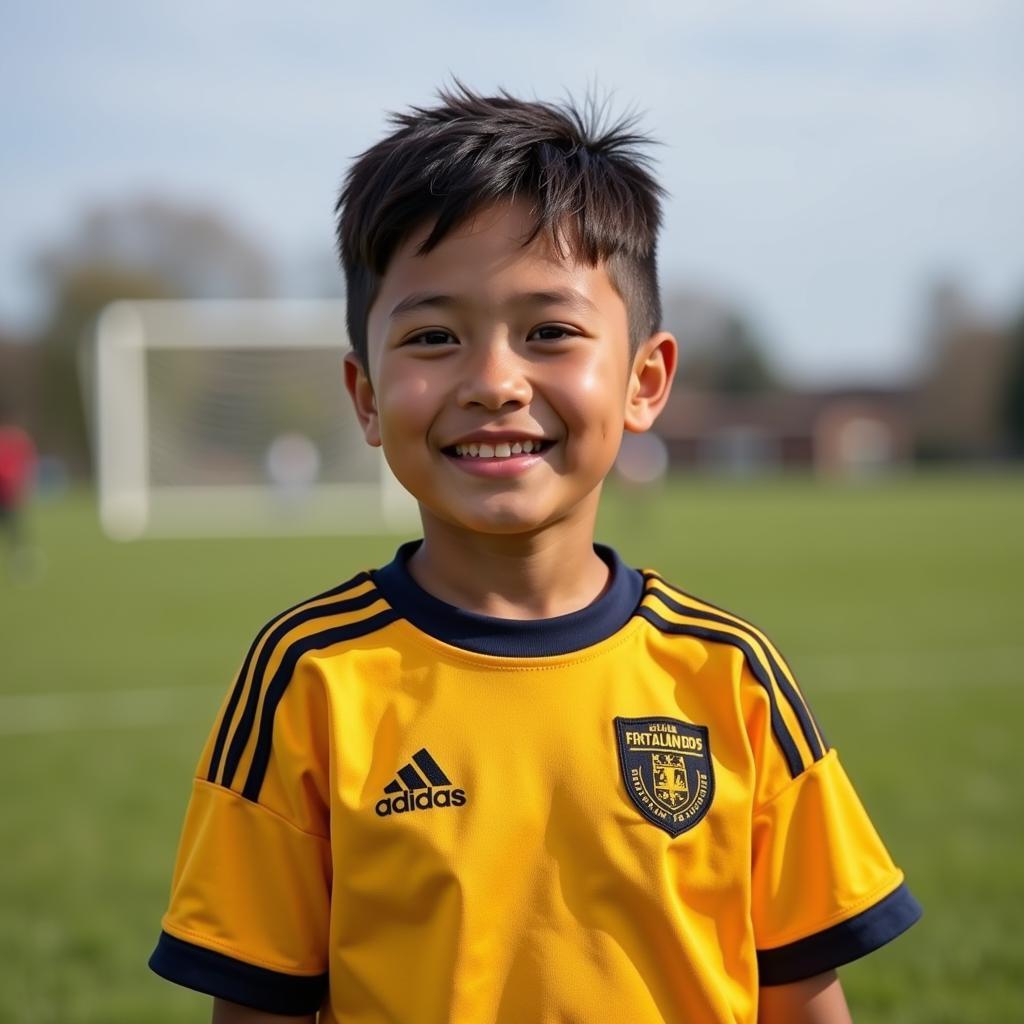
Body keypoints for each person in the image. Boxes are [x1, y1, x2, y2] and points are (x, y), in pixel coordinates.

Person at [149, 83, 921, 1023]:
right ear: (364, 396)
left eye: (549, 332)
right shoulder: (308, 677)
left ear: (645, 380)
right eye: (434, 337)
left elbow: (802, 996)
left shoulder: (731, 677)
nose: (494, 383)